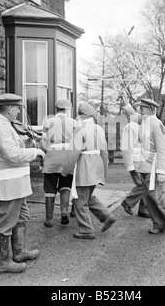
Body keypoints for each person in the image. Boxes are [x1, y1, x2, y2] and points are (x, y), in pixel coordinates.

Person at [0, 93, 46, 274]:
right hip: (8, 181)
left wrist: (28, 141)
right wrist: (36, 152)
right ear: (9, 108)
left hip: (16, 180)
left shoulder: (6, 125)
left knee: (21, 217)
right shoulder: (0, 126)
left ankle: (19, 252)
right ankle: (3, 262)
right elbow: (12, 155)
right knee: (5, 221)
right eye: (17, 109)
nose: (19, 112)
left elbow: (15, 147)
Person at [119, 92, 165, 234]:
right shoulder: (144, 120)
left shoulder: (156, 124)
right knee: (148, 197)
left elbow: (163, 150)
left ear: (150, 109)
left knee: (156, 195)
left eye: (143, 108)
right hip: (144, 166)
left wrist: (161, 171)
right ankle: (158, 223)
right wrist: (125, 104)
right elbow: (133, 114)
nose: (140, 110)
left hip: (154, 166)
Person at [69, 102, 117, 240]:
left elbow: (73, 153)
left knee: (79, 200)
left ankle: (86, 230)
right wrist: (104, 171)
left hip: (84, 166)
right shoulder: (99, 129)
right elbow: (105, 152)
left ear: (81, 115)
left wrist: (65, 169)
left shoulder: (80, 129)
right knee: (88, 197)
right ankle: (106, 216)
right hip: (97, 166)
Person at [40, 99, 77, 227]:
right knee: (65, 186)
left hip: (52, 155)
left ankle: (49, 219)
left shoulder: (48, 121)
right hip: (67, 156)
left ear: (56, 109)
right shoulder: (73, 122)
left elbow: (43, 141)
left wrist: (43, 156)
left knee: (50, 187)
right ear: (67, 109)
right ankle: (64, 213)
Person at [120, 100, 150, 218]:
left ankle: (143, 209)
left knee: (146, 184)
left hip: (143, 161)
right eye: (141, 109)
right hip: (135, 161)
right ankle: (128, 202)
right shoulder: (130, 127)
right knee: (143, 185)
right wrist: (130, 166)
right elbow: (126, 147)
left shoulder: (142, 125)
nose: (143, 112)